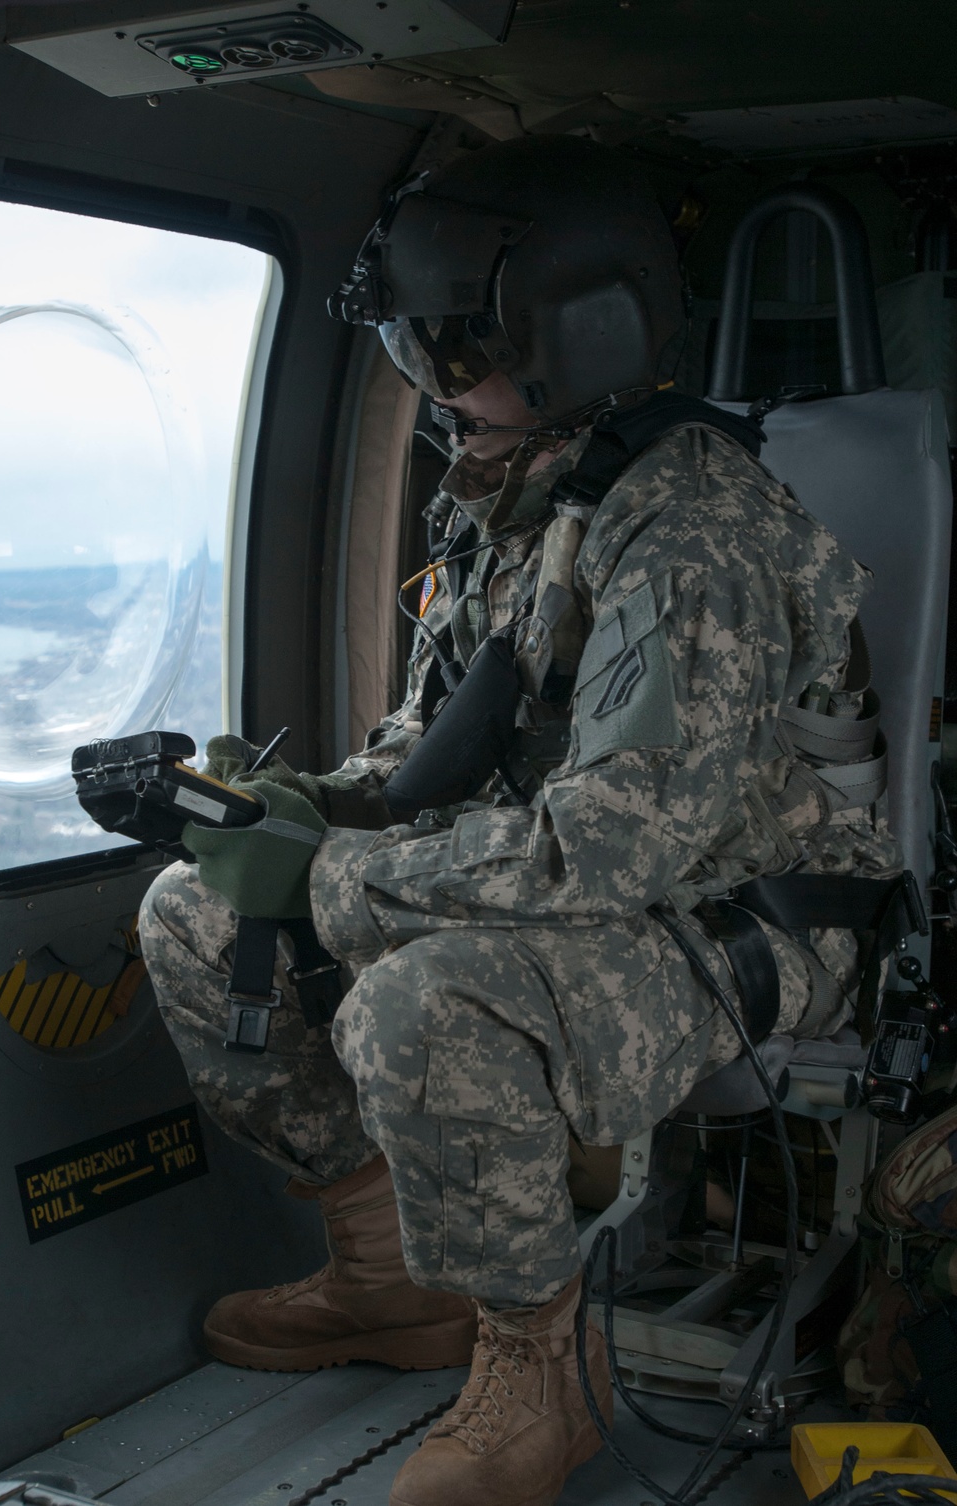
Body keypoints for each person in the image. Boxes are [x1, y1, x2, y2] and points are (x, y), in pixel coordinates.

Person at [138, 136, 902, 1506]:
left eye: (455, 352)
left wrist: (337, 877)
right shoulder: (523, 490)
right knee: (195, 912)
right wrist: (287, 811)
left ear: (570, 339)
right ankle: (389, 1278)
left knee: (424, 1001)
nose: (433, 390)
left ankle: (534, 1368)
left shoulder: (693, 531)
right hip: (586, 891)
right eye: (422, 353)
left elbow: (612, 846)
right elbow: (439, 747)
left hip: (743, 925)